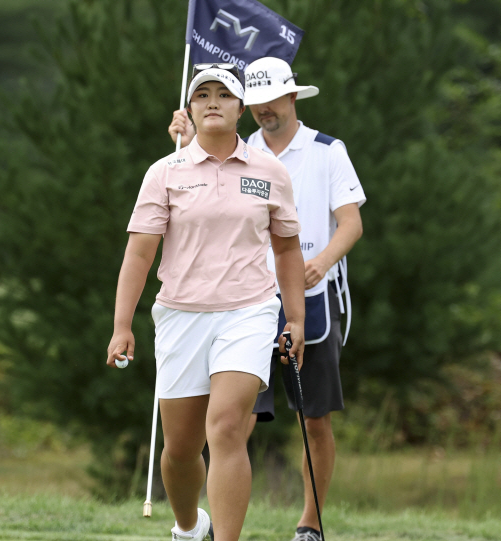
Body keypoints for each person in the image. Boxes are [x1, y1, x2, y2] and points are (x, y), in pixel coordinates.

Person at [168, 57, 365, 541]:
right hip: (247, 302)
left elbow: (352, 222)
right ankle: (224, 527)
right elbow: (193, 187)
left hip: (314, 296)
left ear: (293, 96)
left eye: (272, 99)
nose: (262, 110)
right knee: (235, 422)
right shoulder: (242, 146)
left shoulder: (326, 151)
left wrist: (318, 264)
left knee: (313, 418)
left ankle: (310, 523)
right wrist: (186, 139)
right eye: (254, 102)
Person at [107, 64, 306, 541]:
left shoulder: (270, 171)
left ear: (241, 108)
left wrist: (294, 318)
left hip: (249, 312)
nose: (213, 101)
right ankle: (189, 526)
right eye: (204, 95)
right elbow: (139, 252)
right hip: (180, 316)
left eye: (224, 95)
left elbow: (287, 248)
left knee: (227, 429)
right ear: (190, 109)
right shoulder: (166, 171)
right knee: (179, 450)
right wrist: (122, 325)